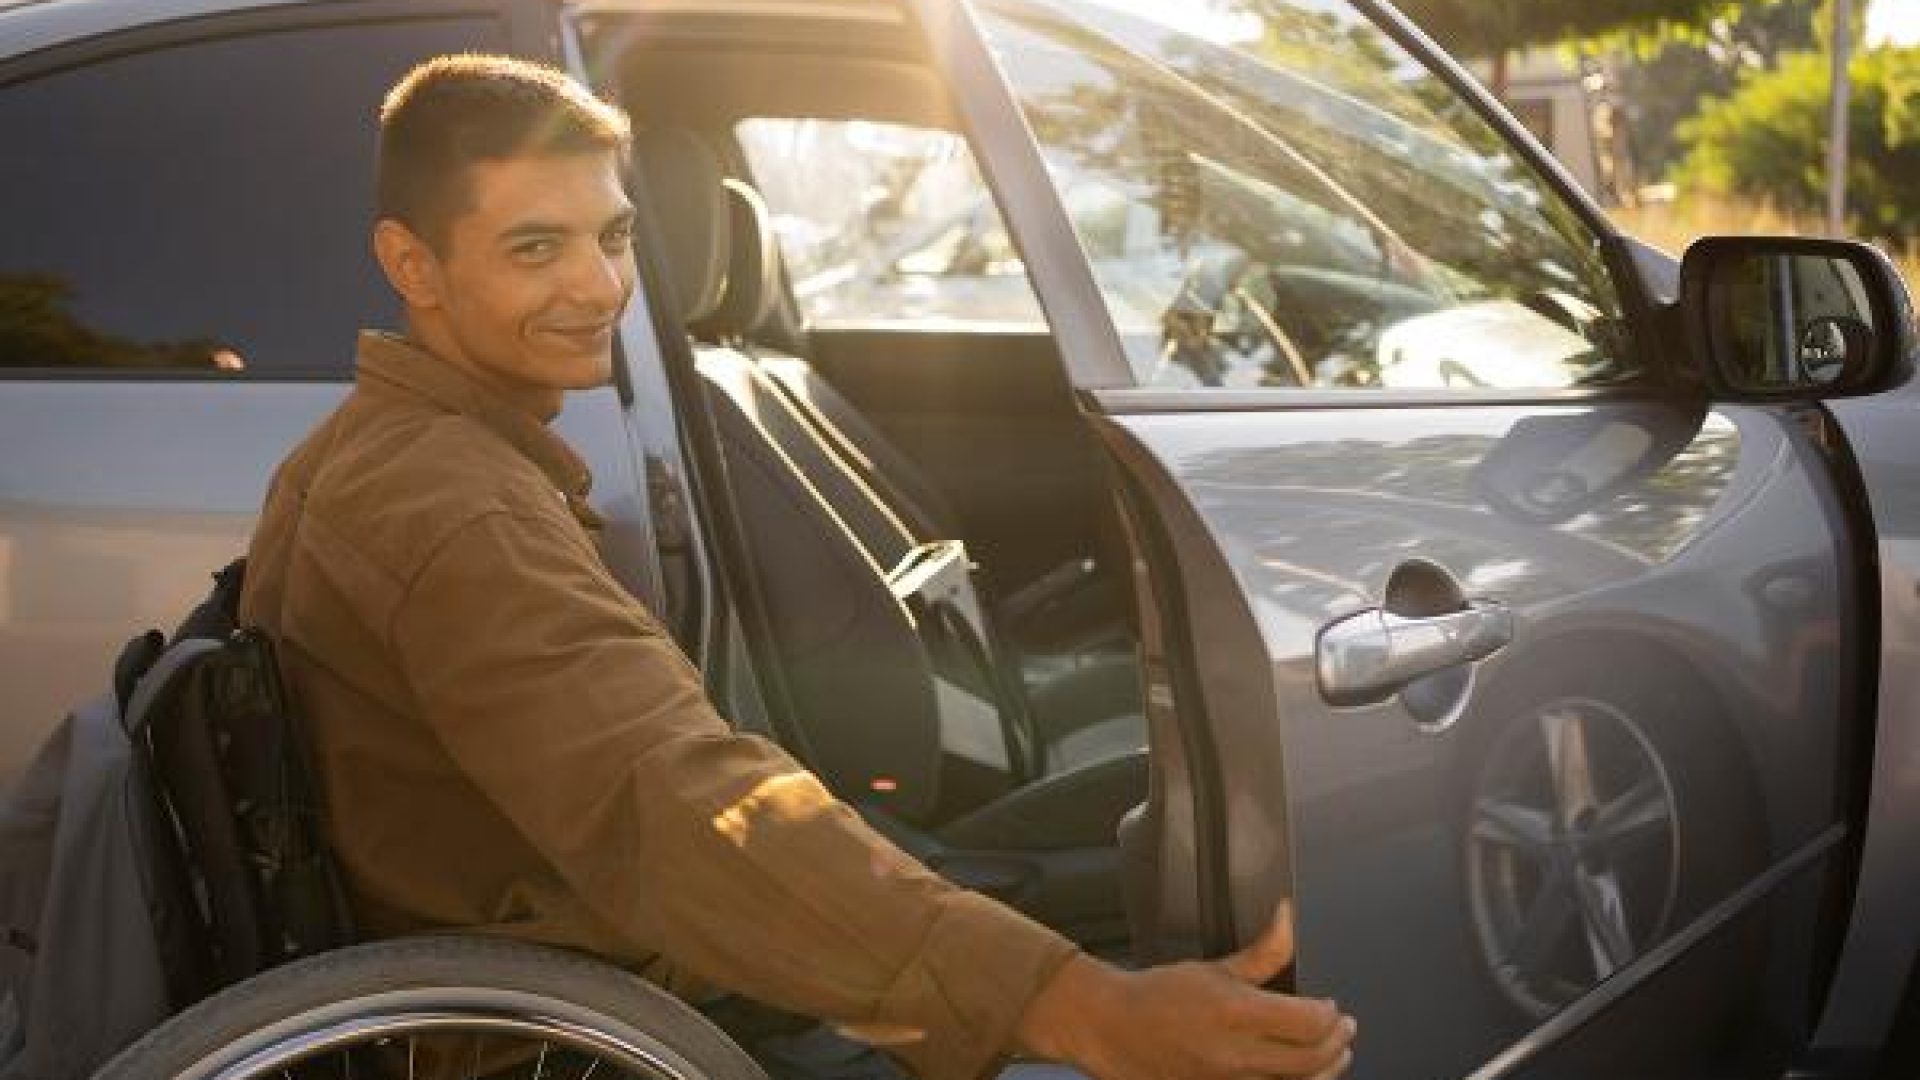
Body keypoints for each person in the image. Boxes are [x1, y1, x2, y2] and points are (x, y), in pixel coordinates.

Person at [239, 53, 1356, 1080]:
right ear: (410, 264)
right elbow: (677, 803)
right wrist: (1080, 1008)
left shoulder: (385, 454)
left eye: (615, 238)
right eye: (536, 248)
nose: (598, 289)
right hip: (569, 1039)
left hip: (573, 989)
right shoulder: (450, 508)